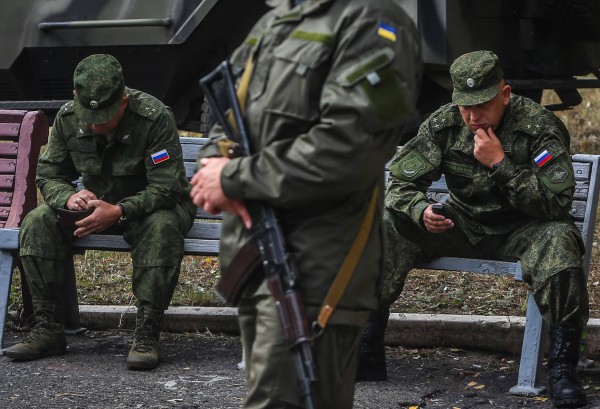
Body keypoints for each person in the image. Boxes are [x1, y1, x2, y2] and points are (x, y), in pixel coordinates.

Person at [190, 0, 422, 407]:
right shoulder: (276, 19)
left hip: (314, 271)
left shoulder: (374, 22)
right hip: (253, 254)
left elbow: (350, 147)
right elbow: (225, 112)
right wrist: (215, 160)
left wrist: (234, 178)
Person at [357, 50, 589, 408]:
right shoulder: (445, 124)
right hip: (461, 224)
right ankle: (366, 350)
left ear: (505, 94)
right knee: (387, 226)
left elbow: (555, 205)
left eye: (481, 105)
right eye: (465, 105)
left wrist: (500, 164)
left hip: (522, 231)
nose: (472, 116)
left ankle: (562, 371)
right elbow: (401, 186)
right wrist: (421, 213)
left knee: (559, 243)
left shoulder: (538, 127)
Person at [5, 54, 196, 371]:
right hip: (96, 205)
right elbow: (49, 174)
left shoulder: (153, 117)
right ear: (75, 97)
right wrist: (69, 198)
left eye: (104, 116)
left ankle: (147, 333)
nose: (94, 124)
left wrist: (119, 211)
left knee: (161, 227)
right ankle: (47, 329)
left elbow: (167, 188)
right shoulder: (68, 118)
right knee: (37, 222)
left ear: (123, 101)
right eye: (89, 116)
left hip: (152, 206)